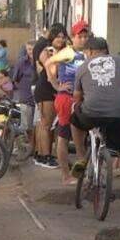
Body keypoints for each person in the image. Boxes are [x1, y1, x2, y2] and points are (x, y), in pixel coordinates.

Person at [70, 37, 120, 211]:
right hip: (119, 114)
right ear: (106, 50)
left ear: (90, 52)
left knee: (74, 118)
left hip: (91, 113)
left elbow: (77, 97)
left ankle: (80, 157)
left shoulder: (83, 67)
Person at [46, 20, 90, 184]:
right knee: (64, 136)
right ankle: (65, 175)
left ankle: (81, 168)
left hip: (80, 98)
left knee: (81, 134)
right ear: (73, 37)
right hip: (66, 98)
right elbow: (49, 62)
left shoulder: (85, 54)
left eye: (86, 36)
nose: (83, 39)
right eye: (80, 36)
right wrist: (56, 85)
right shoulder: (68, 52)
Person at [33, 27, 66, 168]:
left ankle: (41, 155)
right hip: (46, 90)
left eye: (63, 36)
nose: (61, 39)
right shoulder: (49, 50)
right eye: (57, 36)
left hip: (44, 89)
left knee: (43, 124)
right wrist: (58, 87)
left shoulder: (51, 50)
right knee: (47, 125)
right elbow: (50, 72)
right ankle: (46, 157)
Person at [11, 40, 38, 141]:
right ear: (26, 50)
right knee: (27, 127)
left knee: (37, 127)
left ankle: (36, 148)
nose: (31, 52)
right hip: (26, 99)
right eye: (29, 49)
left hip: (39, 100)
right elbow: (15, 80)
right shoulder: (21, 63)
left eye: (33, 49)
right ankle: (29, 147)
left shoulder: (41, 61)